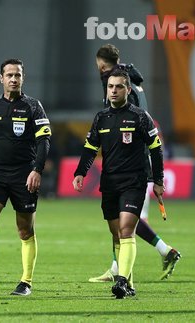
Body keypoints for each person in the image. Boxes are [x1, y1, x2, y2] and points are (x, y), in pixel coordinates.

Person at [88, 44, 181, 283]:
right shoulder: (133, 82)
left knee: (128, 217)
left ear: (102, 65)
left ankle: (160, 252)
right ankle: (118, 266)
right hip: (133, 159)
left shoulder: (122, 88)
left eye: (101, 68)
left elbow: (131, 125)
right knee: (125, 218)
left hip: (133, 161)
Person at [73, 69, 165, 298]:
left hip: (134, 182)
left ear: (128, 89)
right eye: (110, 87)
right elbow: (90, 148)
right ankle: (129, 284)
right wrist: (80, 172)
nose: (113, 90)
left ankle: (121, 281)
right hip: (110, 183)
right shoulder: (101, 118)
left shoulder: (140, 116)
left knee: (126, 231)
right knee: (116, 235)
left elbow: (156, 148)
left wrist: (158, 180)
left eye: (119, 87)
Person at [0, 58, 51, 297]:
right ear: (1, 78)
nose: (14, 79)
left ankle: (26, 282)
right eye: (10, 75)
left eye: (18, 75)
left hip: (23, 176)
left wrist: (36, 170)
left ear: (22, 78)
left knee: (25, 230)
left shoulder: (33, 107)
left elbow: (44, 140)